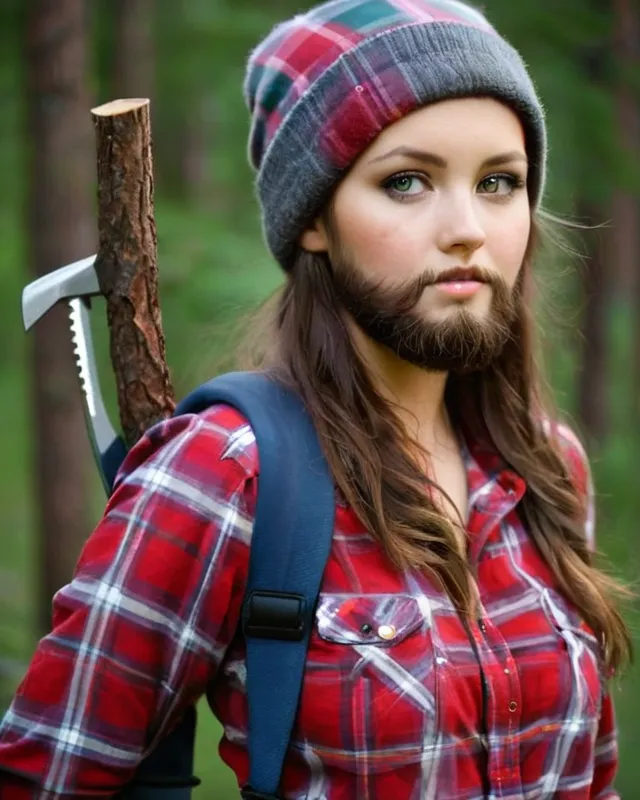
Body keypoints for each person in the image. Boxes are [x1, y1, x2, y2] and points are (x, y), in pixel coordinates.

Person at [0, 0, 632, 797]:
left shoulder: (547, 466)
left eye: (499, 182)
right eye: (407, 181)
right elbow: (43, 776)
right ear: (315, 220)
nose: (469, 228)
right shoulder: (226, 472)